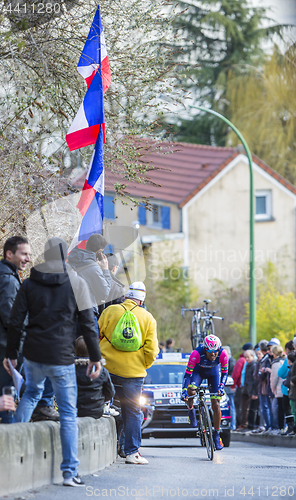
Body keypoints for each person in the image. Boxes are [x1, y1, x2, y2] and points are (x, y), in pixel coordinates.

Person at [3, 237, 102, 487]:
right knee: (68, 413)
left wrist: (12, 354)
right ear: (65, 257)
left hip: (34, 354)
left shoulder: (29, 283)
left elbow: (15, 321)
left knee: (30, 395)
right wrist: (94, 356)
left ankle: (11, 451)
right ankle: (69, 472)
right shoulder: (77, 282)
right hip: (62, 356)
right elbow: (89, 323)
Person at [99, 281, 158, 465]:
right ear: (142, 300)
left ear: (126, 296)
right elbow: (152, 350)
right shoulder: (148, 318)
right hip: (133, 373)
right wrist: (143, 365)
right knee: (132, 411)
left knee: (102, 404)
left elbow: (96, 335)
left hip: (108, 368)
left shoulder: (109, 311)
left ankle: (103, 448)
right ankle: (131, 452)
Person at [0, 236, 58, 424]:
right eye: (23, 254)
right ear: (9, 254)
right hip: (8, 349)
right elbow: (11, 318)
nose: (28, 259)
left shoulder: (8, 276)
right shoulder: (8, 280)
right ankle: (12, 443)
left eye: (29, 254)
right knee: (8, 399)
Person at [181, 334, 228, 450]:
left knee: (216, 404)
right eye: (210, 351)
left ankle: (217, 435)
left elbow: (225, 373)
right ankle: (191, 409)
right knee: (191, 391)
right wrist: (183, 391)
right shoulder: (196, 354)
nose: (213, 354)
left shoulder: (223, 354)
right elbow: (187, 375)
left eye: (215, 351)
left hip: (214, 373)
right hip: (198, 372)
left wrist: (221, 387)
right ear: (205, 349)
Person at [68, 234, 112, 334]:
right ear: (100, 251)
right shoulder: (93, 268)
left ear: (87, 244)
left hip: (69, 312)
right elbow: (104, 293)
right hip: (87, 313)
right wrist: (105, 270)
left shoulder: (71, 261)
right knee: (89, 348)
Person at [75, 336, 115, 419]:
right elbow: (110, 393)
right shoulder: (102, 370)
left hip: (75, 409)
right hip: (96, 411)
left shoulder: (71, 369)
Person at [231, 342, 253, 428]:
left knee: (239, 406)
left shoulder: (241, 360)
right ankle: (244, 423)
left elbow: (236, 374)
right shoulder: (247, 361)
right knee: (246, 406)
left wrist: (233, 385)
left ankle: (241, 423)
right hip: (245, 386)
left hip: (241, 387)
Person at [236, 350, 257, 431]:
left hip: (251, 389)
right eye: (246, 357)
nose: (247, 359)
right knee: (243, 407)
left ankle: (250, 424)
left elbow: (255, 380)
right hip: (245, 388)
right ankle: (244, 424)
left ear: (252, 356)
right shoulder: (247, 365)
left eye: (248, 357)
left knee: (250, 408)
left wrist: (254, 392)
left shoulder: (254, 365)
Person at [278, 340, 295, 435]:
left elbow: (281, 373)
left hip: (288, 390)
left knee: (288, 408)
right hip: (290, 389)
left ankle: (290, 427)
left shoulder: (289, 360)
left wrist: (286, 382)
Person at [269, 344, 285, 434]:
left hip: (279, 390)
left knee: (278, 410)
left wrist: (273, 390)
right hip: (285, 389)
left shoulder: (275, 364)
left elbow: (273, 379)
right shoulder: (284, 361)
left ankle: (280, 428)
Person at [222, 345, 236, 430]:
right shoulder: (225, 360)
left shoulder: (232, 361)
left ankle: (233, 425)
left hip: (229, 388)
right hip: (224, 387)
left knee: (231, 406)